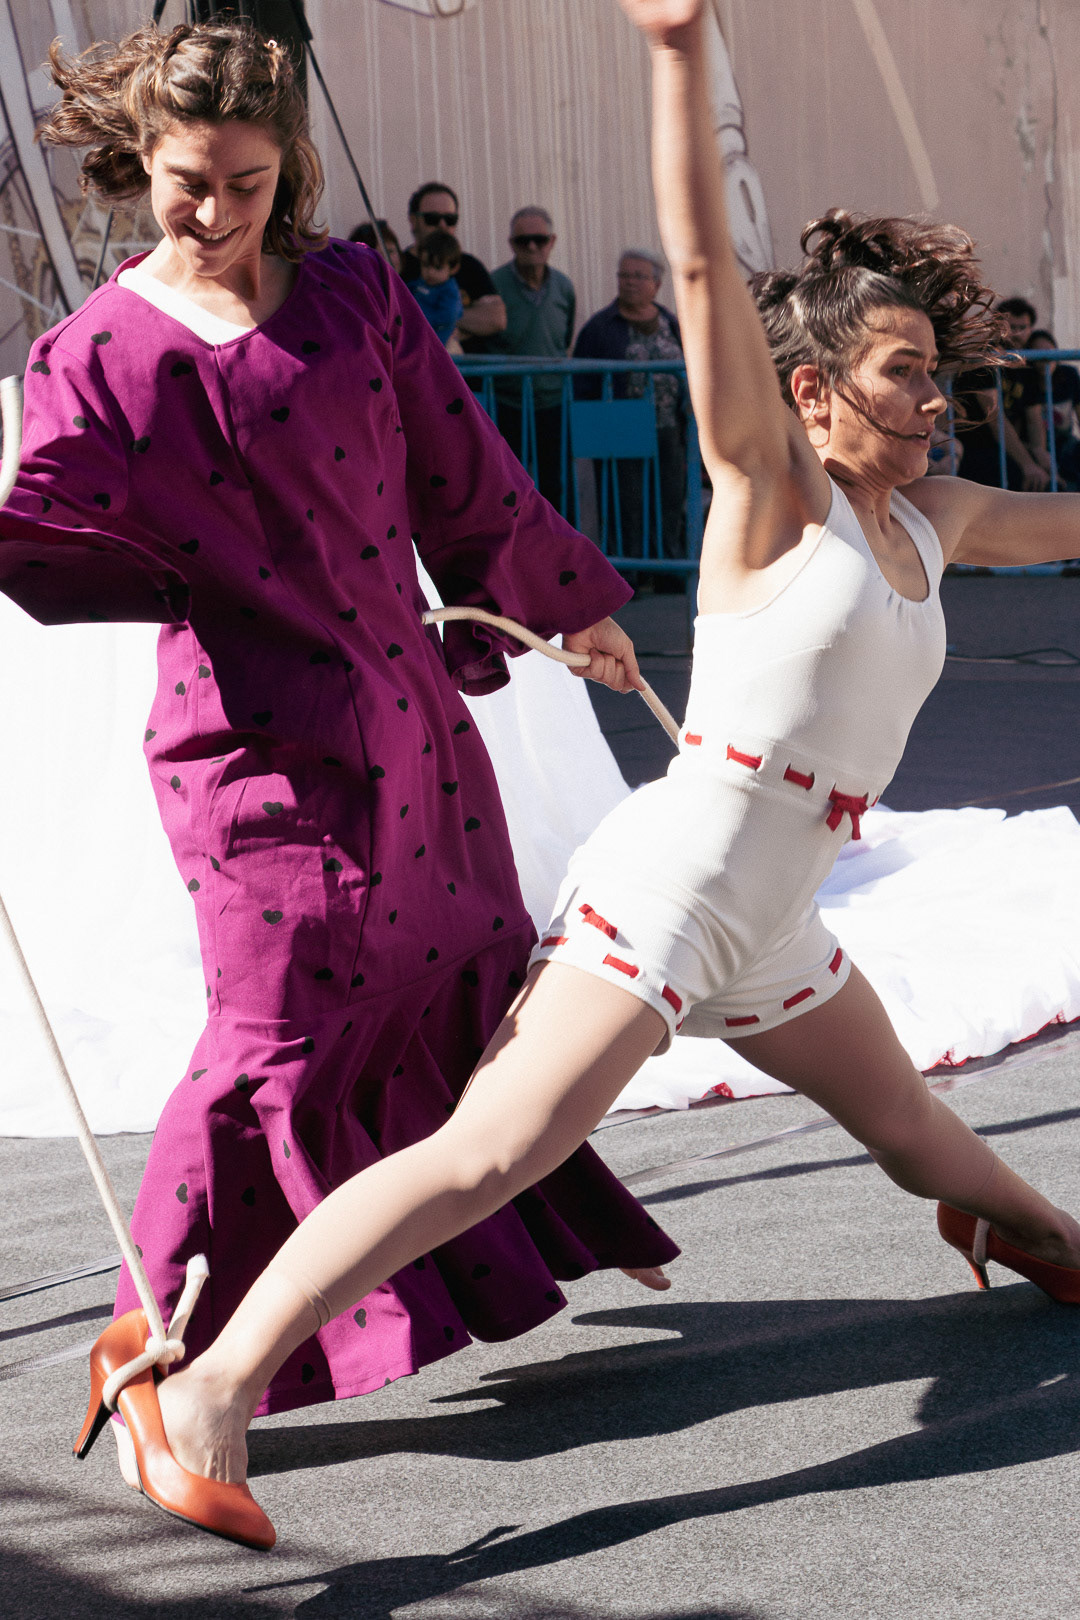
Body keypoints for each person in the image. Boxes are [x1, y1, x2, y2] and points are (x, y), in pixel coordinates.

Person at [79, 0, 1080, 1549]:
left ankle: (1035, 1236)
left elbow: (1069, 520)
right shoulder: (772, 490)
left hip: (781, 913)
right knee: (488, 1150)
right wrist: (677, 55)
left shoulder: (935, 520)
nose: (935, 397)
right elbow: (703, 272)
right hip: (672, 891)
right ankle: (206, 1388)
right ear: (813, 392)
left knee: (916, 1135)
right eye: (903, 373)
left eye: (937, 372)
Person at [2, 17, 680, 1516]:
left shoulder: (359, 293)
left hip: (408, 714)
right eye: (188, 180)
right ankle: (165, 1346)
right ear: (141, 162)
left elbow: (464, 473)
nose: (215, 210)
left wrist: (568, 611)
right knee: (276, 1032)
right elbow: (45, 542)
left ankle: (511, 1223)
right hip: (245, 746)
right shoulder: (91, 353)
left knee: (465, 965)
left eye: (247, 182)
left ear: (289, 167)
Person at [573, 248, 688, 588]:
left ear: (657, 284)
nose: (630, 282)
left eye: (639, 276)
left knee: (670, 498)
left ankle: (668, 573)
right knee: (625, 502)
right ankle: (627, 578)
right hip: (621, 425)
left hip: (669, 426)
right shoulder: (600, 327)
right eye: (624, 275)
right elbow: (581, 381)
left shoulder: (671, 323)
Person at [488, 207, 576, 510]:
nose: (532, 247)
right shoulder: (494, 284)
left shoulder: (564, 287)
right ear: (511, 244)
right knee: (507, 489)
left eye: (539, 239)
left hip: (553, 404)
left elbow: (564, 339)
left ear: (552, 241)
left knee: (557, 486)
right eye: (523, 241)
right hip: (506, 405)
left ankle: (559, 543)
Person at [399, 181, 506, 354]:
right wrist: (466, 322)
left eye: (450, 220)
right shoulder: (398, 266)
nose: (442, 225)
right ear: (413, 220)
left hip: (467, 370)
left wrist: (440, 315)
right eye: (432, 219)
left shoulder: (469, 265)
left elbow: (496, 319)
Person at [954, 296, 1047, 491]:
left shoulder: (1027, 362)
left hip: (1008, 447)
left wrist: (1040, 454)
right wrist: (1028, 465)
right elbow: (995, 417)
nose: (1017, 334)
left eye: (1023, 328)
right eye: (1012, 327)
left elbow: (1034, 418)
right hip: (975, 446)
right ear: (997, 327)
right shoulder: (985, 357)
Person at [1023, 328, 1080, 488]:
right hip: (1037, 448)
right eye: (1038, 354)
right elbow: (1033, 425)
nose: (1046, 358)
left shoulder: (1068, 376)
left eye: (1049, 351)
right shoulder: (1028, 382)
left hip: (1066, 444)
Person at [404, 227, 464, 347]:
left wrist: (419, 319)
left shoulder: (449, 292)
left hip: (437, 343)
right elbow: (406, 292)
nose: (430, 272)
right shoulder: (420, 284)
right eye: (426, 265)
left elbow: (449, 315)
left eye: (437, 268)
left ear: (453, 268)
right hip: (416, 335)